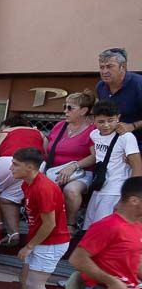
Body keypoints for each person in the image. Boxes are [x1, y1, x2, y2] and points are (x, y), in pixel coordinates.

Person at [12, 147, 70, 289]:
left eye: (16, 164)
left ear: (29, 167)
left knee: (35, 283)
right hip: (42, 240)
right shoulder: (27, 184)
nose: (11, 168)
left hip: (51, 242)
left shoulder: (43, 188)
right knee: (25, 277)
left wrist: (29, 246)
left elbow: (50, 224)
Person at [43, 89, 97, 230]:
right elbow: (48, 148)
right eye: (64, 107)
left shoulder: (92, 130)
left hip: (81, 172)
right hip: (55, 171)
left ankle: (69, 224)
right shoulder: (59, 126)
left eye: (70, 108)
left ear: (83, 110)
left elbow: (95, 156)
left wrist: (73, 166)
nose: (65, 111)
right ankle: (45, 223)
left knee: (71, 191)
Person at [0, 116, 46, 243]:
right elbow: (45, 151)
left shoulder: (6, 132)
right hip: (36, 166)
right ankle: (14, 233)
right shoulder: (39, 133)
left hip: (9, 160)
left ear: (9, 125)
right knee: (8, 199)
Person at [86, 100, 142, 227]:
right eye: (101, 121)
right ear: (93, 120)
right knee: (91, 228)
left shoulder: (126, 137)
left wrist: (127, 196)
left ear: (118, 117)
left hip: (116, 190)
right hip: (99, 187)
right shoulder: (94, 135)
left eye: (110, 120)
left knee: (104, 229)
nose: (106, 125)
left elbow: (137, 167)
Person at [95, 48, 142, 137]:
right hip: (114, 142)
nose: (104, 71)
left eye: (109, 66)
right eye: (102, 67)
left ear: (123, 67)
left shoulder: (139, 84)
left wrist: (133, 126)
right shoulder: (100, 87)